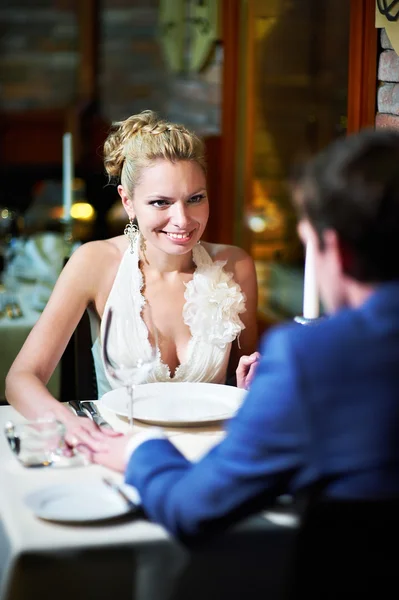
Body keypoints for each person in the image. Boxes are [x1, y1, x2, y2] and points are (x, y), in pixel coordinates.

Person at [88, 127, 399, 543]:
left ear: (336, 251)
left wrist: (138, 452)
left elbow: (193, 508)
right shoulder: (101, 263)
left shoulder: (313, 359)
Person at [5, 110, 259, 448]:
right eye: (160, 202)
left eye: (195, 198)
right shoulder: (95, 263)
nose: (182, 219)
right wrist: (70, 424)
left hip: (208, 454)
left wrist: (252, 387)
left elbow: (248, 379)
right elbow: (21, 379)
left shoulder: (236, 266)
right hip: (120, 451)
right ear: (128, 201)